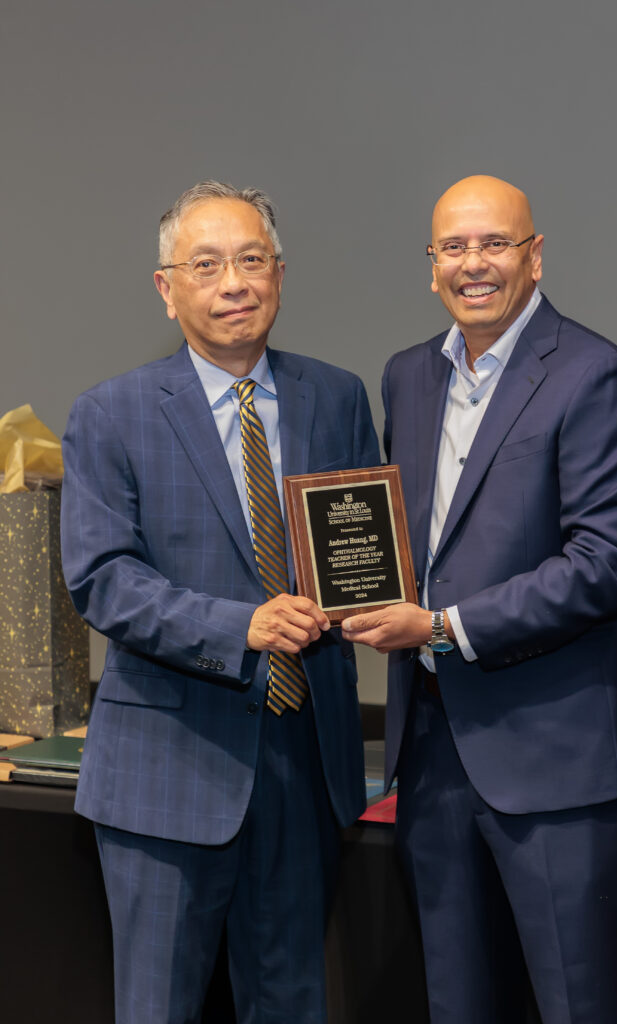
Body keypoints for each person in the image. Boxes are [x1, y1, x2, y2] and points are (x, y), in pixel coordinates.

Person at [342, 175, 617, 1024]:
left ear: (534, 254)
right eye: (453, 246)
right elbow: (412, 542)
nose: (472, 264)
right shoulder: (408, 376)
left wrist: (441, 627)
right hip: (434, 751)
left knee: (576, 1003)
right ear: (430, 264)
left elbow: (602, 562)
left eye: (494, 243)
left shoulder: (597, 375)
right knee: (456, 1002)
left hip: (557, 758)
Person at [61, 180, 380, 1024]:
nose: (233, 282)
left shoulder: (337, 396)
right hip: (168, 767)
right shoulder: (109, 414)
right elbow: (102, 579)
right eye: (206, 264)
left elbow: (356, 548)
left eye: (251, 260)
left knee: (291, 1003)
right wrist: (238, 625)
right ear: (167, 289)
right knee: (160, 1007)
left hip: (303, 762)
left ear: (280, 273)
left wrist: (378, 603)